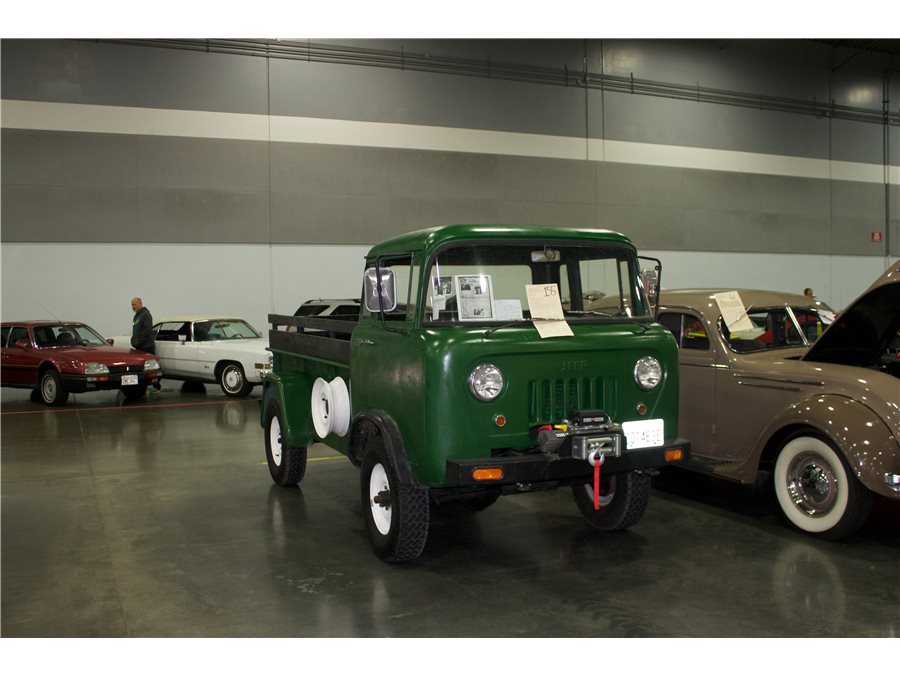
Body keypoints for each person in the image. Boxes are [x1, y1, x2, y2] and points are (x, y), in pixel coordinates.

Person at [131, 297, 161, 392]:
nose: (133, 307)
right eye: (132, 305)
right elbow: (136, 330)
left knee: (151, 368)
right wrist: (133, 340)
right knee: (141, 369)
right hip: (139, 347)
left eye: (134, 304)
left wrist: (139, 342)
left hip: (146, 346)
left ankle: (156, 387)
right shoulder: (136, 316)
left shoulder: (146, 315)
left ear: (140, 304)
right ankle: (143, 387)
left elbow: (147, 331)